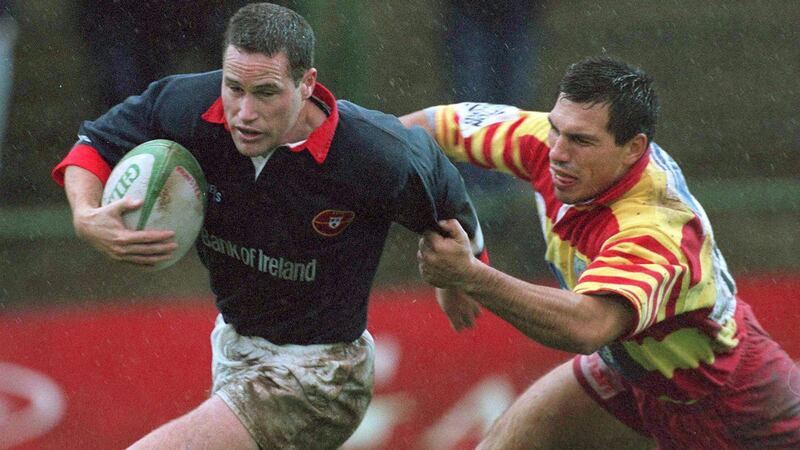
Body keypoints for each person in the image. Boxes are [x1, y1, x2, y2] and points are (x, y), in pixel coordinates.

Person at [51, 3, 486, 449]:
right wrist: (86, 216)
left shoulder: (372, 153)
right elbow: (94, 144)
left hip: (322, 374)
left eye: (265, 92)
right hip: (234, 351)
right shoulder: (187, 107)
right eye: (233, 87)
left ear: (307, 84)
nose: (243, 112)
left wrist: (462, 275)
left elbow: (443, 188)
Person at [401, 56, 800, 448]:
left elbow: (587, 326)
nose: (557, 151)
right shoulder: (545, 141)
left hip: (729, 401)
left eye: (580, 141)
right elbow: (421, 132)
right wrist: (451, 225)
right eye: (556, 128)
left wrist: (468, 275)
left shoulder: (656, 227)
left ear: (633, 148)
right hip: (630, 372)